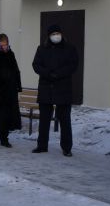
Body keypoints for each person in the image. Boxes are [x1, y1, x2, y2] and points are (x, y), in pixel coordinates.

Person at [31, 25, 79, 156]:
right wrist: (48, 73)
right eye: (53, 33)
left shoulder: (70, 48)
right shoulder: (42, 49)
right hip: (46, 87)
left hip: (63, 88)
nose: (56, 36)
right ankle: (42, 146)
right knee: (44, 120)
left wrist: (59, 74)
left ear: (62, 34)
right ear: (49, 36)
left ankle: (67, 148)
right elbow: (36, 65)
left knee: (65, 120)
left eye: (58, 33)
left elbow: (73, 65)